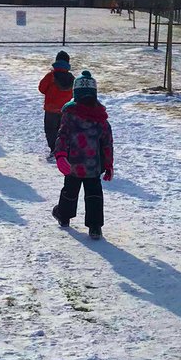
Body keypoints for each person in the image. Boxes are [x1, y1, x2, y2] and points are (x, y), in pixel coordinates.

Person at [52, 70, 114, 241]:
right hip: (93, 166)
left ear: (76, 94)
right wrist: (108, 165)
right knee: (94, 195)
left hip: (74, 164)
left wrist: (61, 155)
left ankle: (64, 216)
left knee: (70, 190)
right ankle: (95, 227)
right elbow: (107, 143)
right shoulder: (101, 118)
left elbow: (62, 136)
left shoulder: (70, 115)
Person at [38, 50, 74, 159]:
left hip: (51, 109)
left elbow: (41, 88)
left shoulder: (51, 76)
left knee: (50, 130)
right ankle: (63, 149)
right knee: (62, 130)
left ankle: (54, 149)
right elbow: (73, 92)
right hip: (65, 109)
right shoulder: (71, 77)